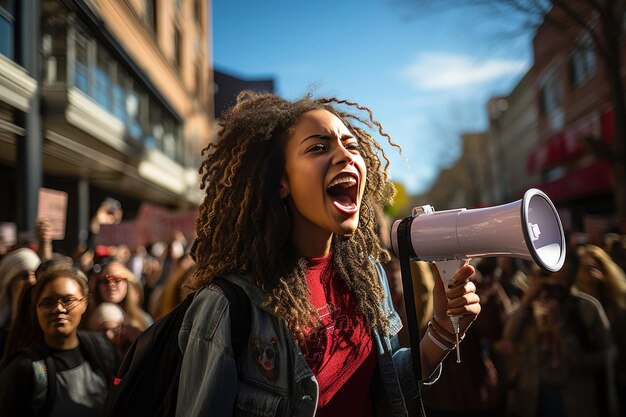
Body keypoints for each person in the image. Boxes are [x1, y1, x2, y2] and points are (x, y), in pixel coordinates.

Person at [177, 91, 481, 416]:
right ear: (282, 182)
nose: (344, 156)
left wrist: (443, 331)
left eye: (351, 145)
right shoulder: (226, 306)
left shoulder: (368, 276)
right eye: (318, 148)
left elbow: (385, 386)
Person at [504, 252, 618, 417]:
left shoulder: (587, 308)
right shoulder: (531, 305)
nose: (552, 285)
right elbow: (509, 336)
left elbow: (604, 356)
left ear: (571, 279)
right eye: (548, 276)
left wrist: (560, 325)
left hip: (573, 397)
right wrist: (525, 303)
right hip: (532, 396)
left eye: (560, 281)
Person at [0, 263, 119, 416]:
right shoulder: (24, 369)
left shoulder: (102, 349)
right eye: (48, 303)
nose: (58, 309)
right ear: (36, 309)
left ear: (85, 303)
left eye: (68, 300)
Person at [574, 244, 626, 416]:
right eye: (583, 269)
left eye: (592, 268)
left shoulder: (616, 306)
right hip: (584, 384)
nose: (587, 274)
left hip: (615, 376)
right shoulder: (572, 306)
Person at [87, 257, 152, 331]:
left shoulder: (144, 319)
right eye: (105, 280)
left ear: (126, 283)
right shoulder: (86, 317)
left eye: (117, 279)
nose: (111, 284)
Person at [0, 247, 41, 354]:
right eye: (24, 276)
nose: (31, 281)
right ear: (9, 282)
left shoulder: (43, 315)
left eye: (35, 275)